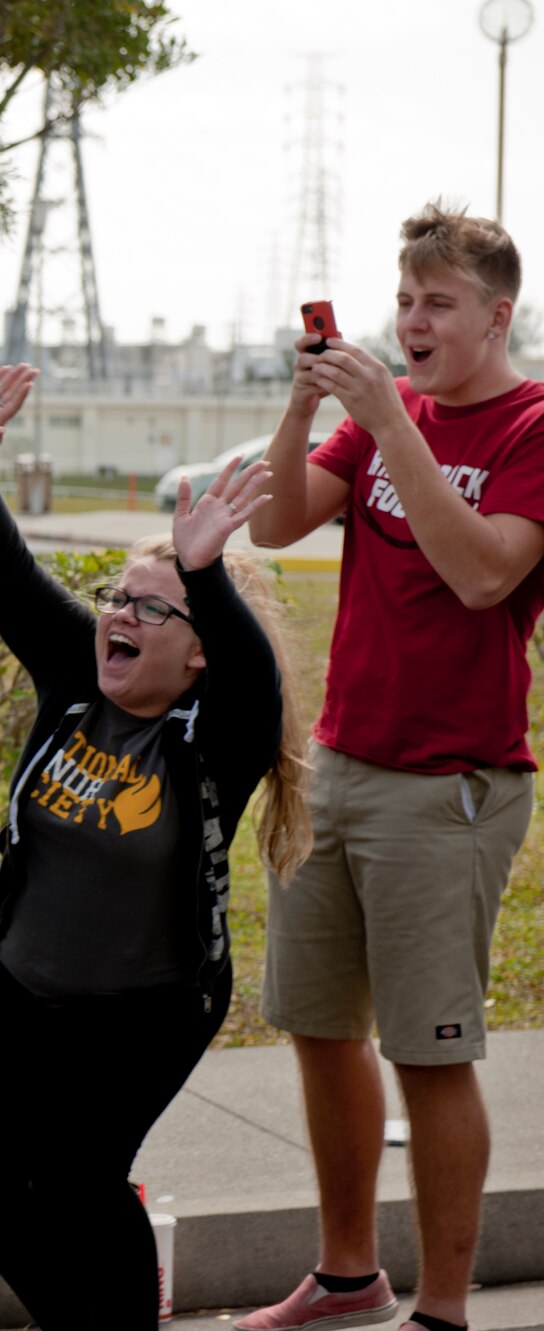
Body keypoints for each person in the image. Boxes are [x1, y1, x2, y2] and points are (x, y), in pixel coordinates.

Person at [0, 365, 306, 1330]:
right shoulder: (74, 681)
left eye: (149, 608)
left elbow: (256, 678)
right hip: (10, 966)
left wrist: (208, 574)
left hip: (144, 1006)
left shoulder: (219, 734)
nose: (117, 617)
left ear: (198, 649)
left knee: (78, 1178)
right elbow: (5, 575)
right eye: (115, 597)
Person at [242, 203, 544, 1331]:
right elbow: (274, 525)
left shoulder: (528, 425)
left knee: (427, 1047)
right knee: (318, 1027)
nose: (410, 322)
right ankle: (342, 1274)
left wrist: (393, 425)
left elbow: (479, 576)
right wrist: (302, 404)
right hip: (336, 760)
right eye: (403, 299)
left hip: (449, 783)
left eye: (436, 303)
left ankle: (445, 1306)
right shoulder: (378, 417)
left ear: (493, 314)